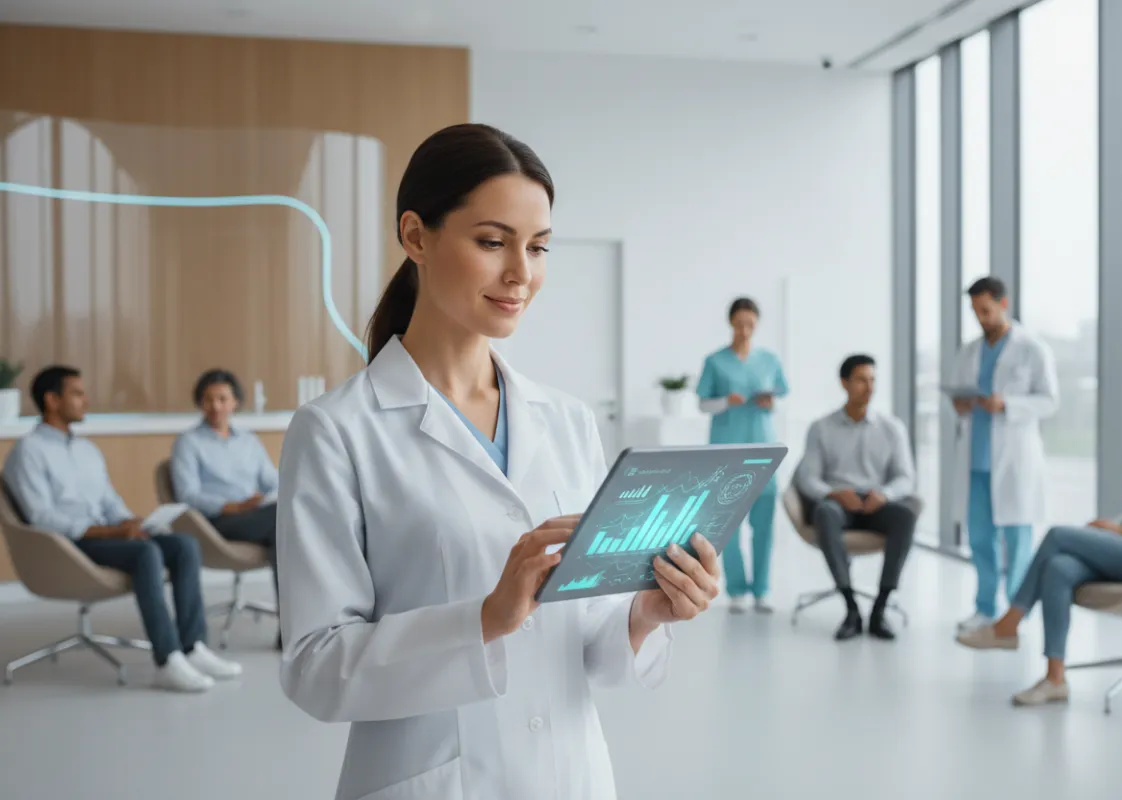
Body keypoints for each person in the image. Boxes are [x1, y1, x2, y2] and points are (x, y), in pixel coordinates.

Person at [276, 123, 720, 800]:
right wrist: (484, 618)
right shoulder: (336, 432)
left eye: (538, 247)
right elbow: (314, 667)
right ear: (416, 236)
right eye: (492, 242)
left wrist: (647, 612)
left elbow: (589, 648)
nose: (522, 273)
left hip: (571, 777)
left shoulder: (566, 422)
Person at [958, 364, 1122, 705]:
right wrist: (1112, 526)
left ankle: (1009, 624)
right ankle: (1055, 678)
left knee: (1057, 534)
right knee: (1059, 567)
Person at [2, 365, 241, 692]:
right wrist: (113, 533)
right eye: (77, 393)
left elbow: (110, 501)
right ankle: (167, 659)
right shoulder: (28, 452)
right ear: (52, 400)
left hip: (107, 534)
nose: (86, 401)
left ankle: (193, 646)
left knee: (184, 545)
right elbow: (43, 519)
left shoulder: (87, 450)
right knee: (145, 553)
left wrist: (132, 522)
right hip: (69, 545)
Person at [951, 277, 1059, 635]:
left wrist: (1007, 404)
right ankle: (984, 607)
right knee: (980, 539)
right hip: (976, 459)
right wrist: (961, 404)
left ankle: (1016, 610)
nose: (980, 318)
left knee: (1017, 541)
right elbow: (961, 400)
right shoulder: (969, 351)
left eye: (986, 310)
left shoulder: (1032, 348)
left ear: (1003, 304)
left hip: (1014, 460)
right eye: (975, 311)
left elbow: (1050, 401)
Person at [794, 354, 918, 641]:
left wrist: (884, 495)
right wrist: (833, 493)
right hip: (838, 502)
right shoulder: (821, 428)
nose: (869, 387)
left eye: (873, 380)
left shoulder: (892, 429)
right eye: (862, 380)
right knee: (825, 512)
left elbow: (906, 478)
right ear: (844, 383)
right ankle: (850, 607)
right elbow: (807, 477)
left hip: (876, 503)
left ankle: (880, 607)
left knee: (906, 516)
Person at [696, 297, 789, 613]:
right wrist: (726, 401)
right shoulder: (715, 361)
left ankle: (762, 589)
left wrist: (769, 403)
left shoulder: (770, 361)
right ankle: (736, 589)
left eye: (750, 324)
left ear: (757, 325)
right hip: (727, 452)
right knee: (728, 526)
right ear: (730, 323)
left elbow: (780, 394)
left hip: (763, 451)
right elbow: (703, 404)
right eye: (739, 323)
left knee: (764, 525)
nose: (745, 330)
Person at [170, 368, 280, 599]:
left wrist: (279, 493)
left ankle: (289, 623)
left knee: (284, 531)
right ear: (200, 402)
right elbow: (187, 495)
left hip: (256, 515)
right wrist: (235, 506)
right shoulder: (188, 442)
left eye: (222, 399)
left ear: (235, 403)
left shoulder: (249, 440)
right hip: (218, 521)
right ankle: (291, 624)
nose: (216, 406)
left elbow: (272, 481)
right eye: (208, 399)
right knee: (283, 522)